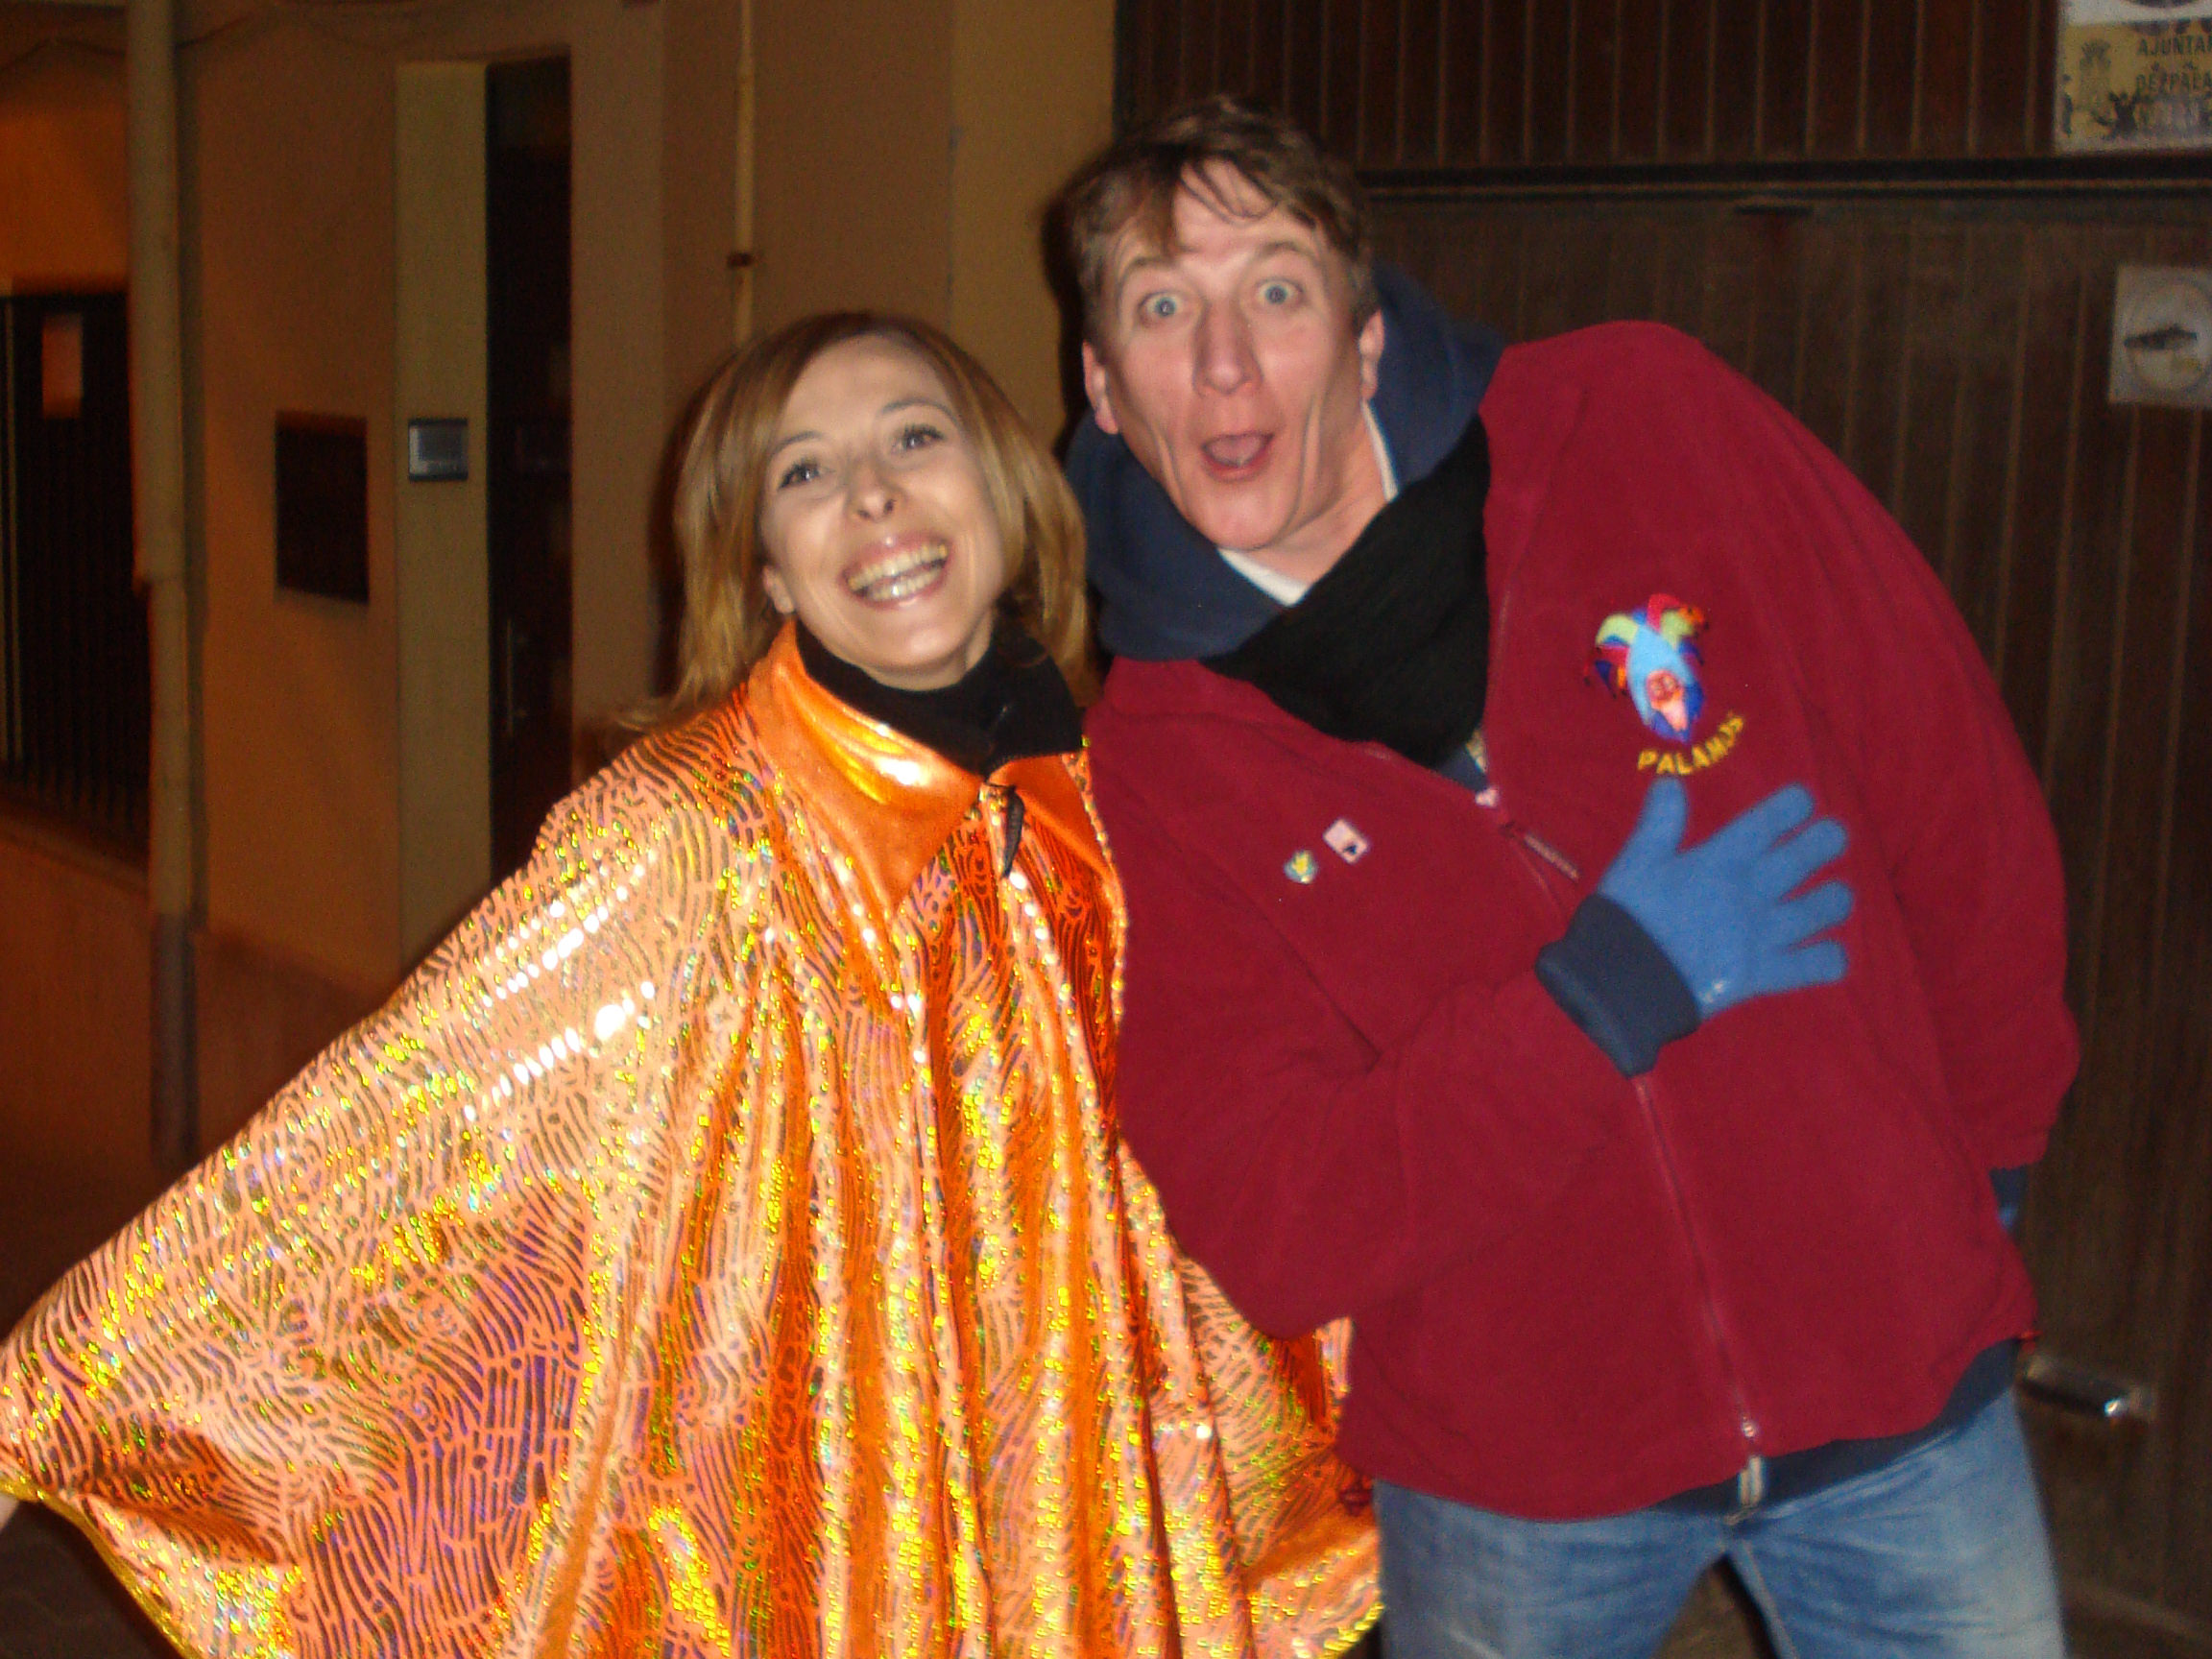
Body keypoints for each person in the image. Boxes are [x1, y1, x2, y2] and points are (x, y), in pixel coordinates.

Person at [0, 313, 1378, 1658]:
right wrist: (62, 1385)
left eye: (914, 437)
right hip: (824, 1528)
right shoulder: (689, 833)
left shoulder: (1125, 802)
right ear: (766, 567)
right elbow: (402, 1127)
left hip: (1091, 1507)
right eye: (805, 472)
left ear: (1007, 490)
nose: (874, 495)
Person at [1057, 97, 2078, 1659]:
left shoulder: (1643, 420)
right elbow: (1276, 1215)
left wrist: (1983, 1174)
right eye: (1160, 308)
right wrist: (1591, 1007)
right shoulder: (1156, 761)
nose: (1225, 365)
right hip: (1519, 1477)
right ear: (1103, 388)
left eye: (1274, 289)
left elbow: (1954, 787)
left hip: (1897, 1371)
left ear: (1368, 336)